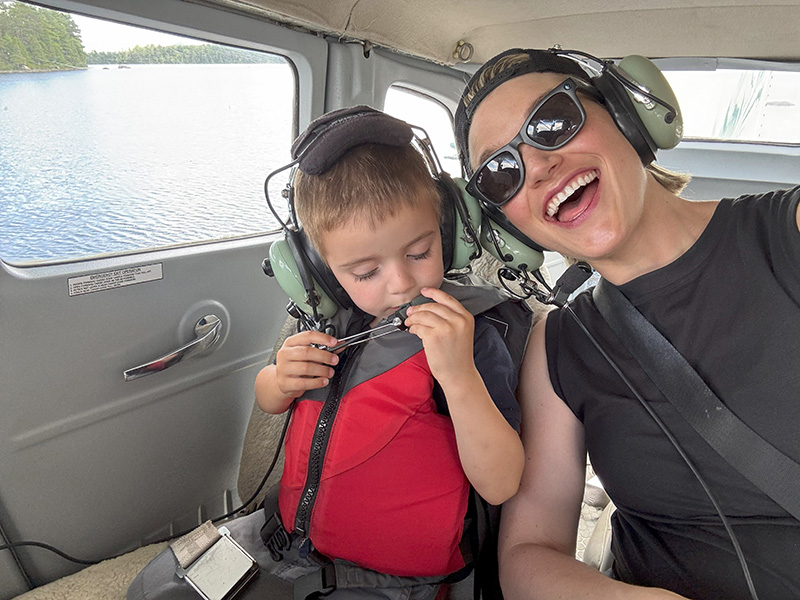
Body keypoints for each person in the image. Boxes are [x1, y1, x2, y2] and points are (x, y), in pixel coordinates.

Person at [128, 106, 529, 600]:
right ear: (316, 270)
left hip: (394, 582)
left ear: (447, 229)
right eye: (366, 273)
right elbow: (271, 399)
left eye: (419, 252)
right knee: (152, 589)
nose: (400, 283)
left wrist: (460, 376)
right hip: (289, 547)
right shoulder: (325, 321)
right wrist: (279, 378)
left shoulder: (467, 336)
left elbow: (501, 483)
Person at [454, 48, 800, 600]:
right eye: (501, 173)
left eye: (551, 122)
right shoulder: (558, 347)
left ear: (626, 113)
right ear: (508, 224)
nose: (537, 167)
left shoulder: (786, 232)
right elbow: (527, 554)